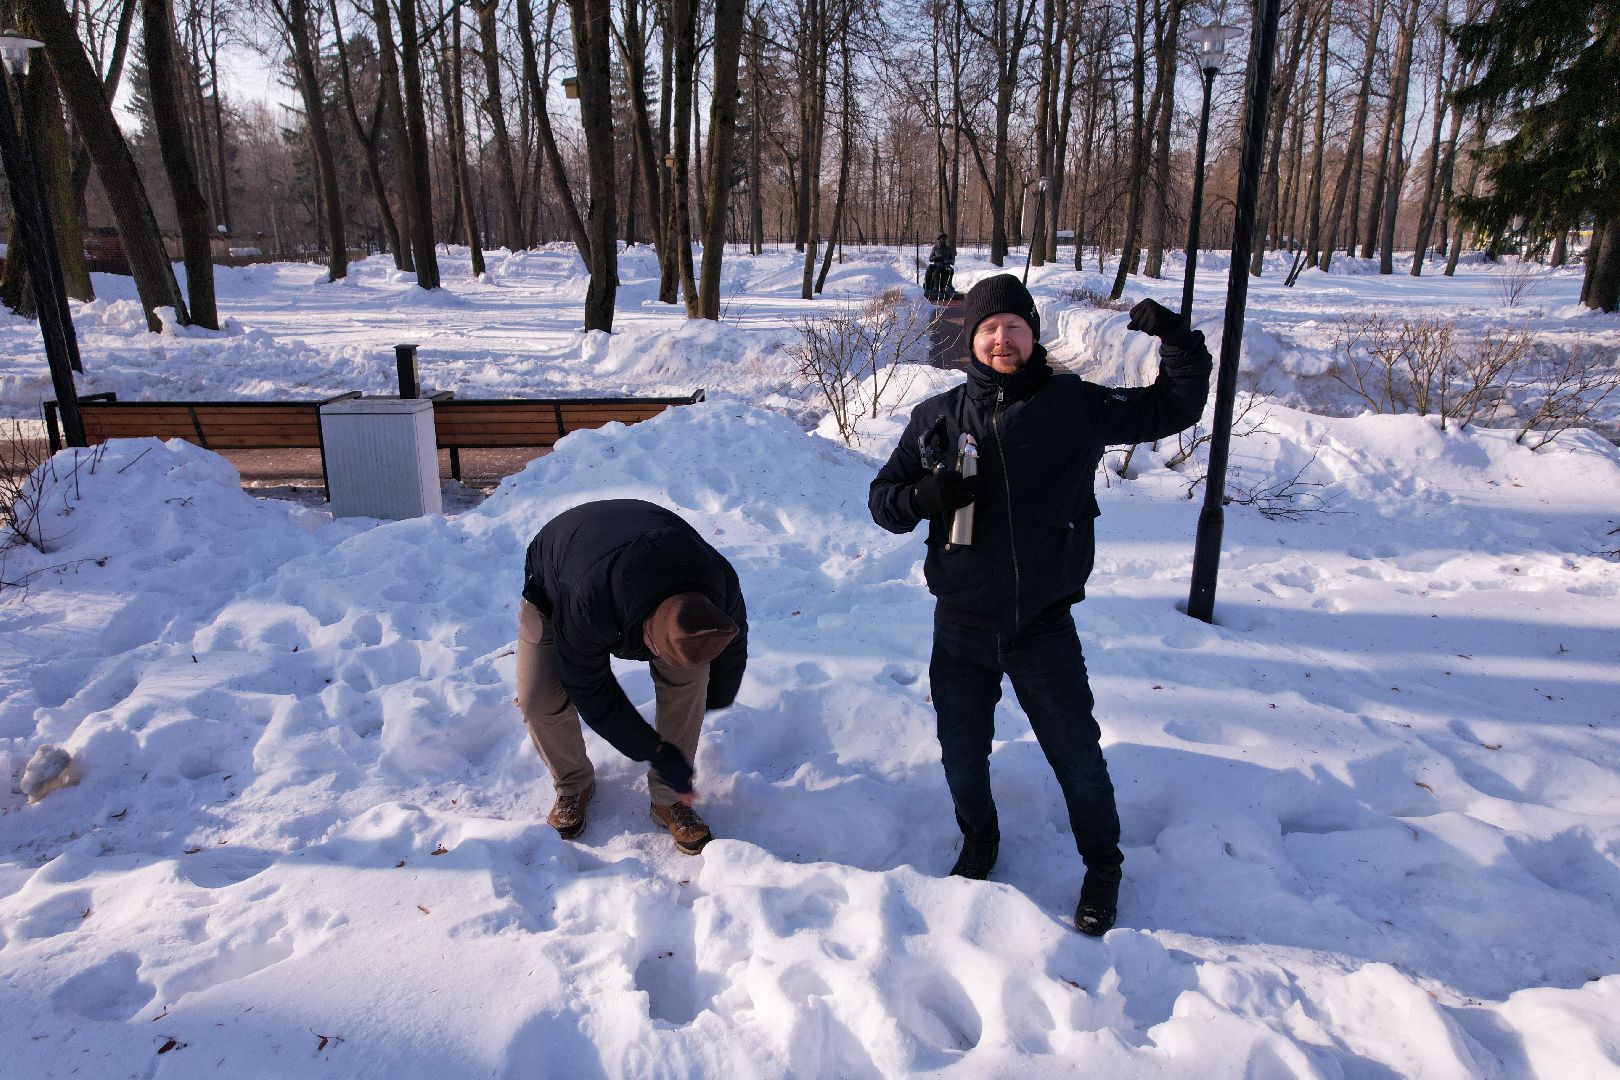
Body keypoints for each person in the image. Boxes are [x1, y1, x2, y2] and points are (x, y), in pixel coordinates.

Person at [868, 274, 1211, 934]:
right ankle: (980, 843)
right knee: (962, 756)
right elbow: (883, 502)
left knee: (1077, 758)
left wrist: (1177, 340)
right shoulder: (936, 418)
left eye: (1014, 327)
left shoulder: (1072, 405)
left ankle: (1103, 868)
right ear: (972, 339)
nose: (1001, 339)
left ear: (1034, 335)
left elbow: (1172, 408)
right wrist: (921, 500)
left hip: (1043, 628)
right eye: (988, 329)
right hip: (960, 628)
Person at [517, 499, 748, 854]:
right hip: (558, 574)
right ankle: (573, 783)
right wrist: (651, 749)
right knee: (539, 699)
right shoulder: (589, 601)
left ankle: (669, 799)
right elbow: (589, 688)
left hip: (653, 550)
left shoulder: (720, 584)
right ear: (646, 635)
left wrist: (719, 693)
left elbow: (735, 642)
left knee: (691, 680)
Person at [925, 233, 956, 302]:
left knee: (951, 270)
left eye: (944, 239)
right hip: (937, 265)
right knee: (936, 272)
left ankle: (949, 285)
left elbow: (953, 261)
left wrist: (949, 261)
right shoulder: (935, 248)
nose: (943, 241)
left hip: (946, 266)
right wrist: (937, 257)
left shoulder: (948, 248)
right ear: (939, 240)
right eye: (942, 239)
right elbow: (930, 258)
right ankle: (935, 287)